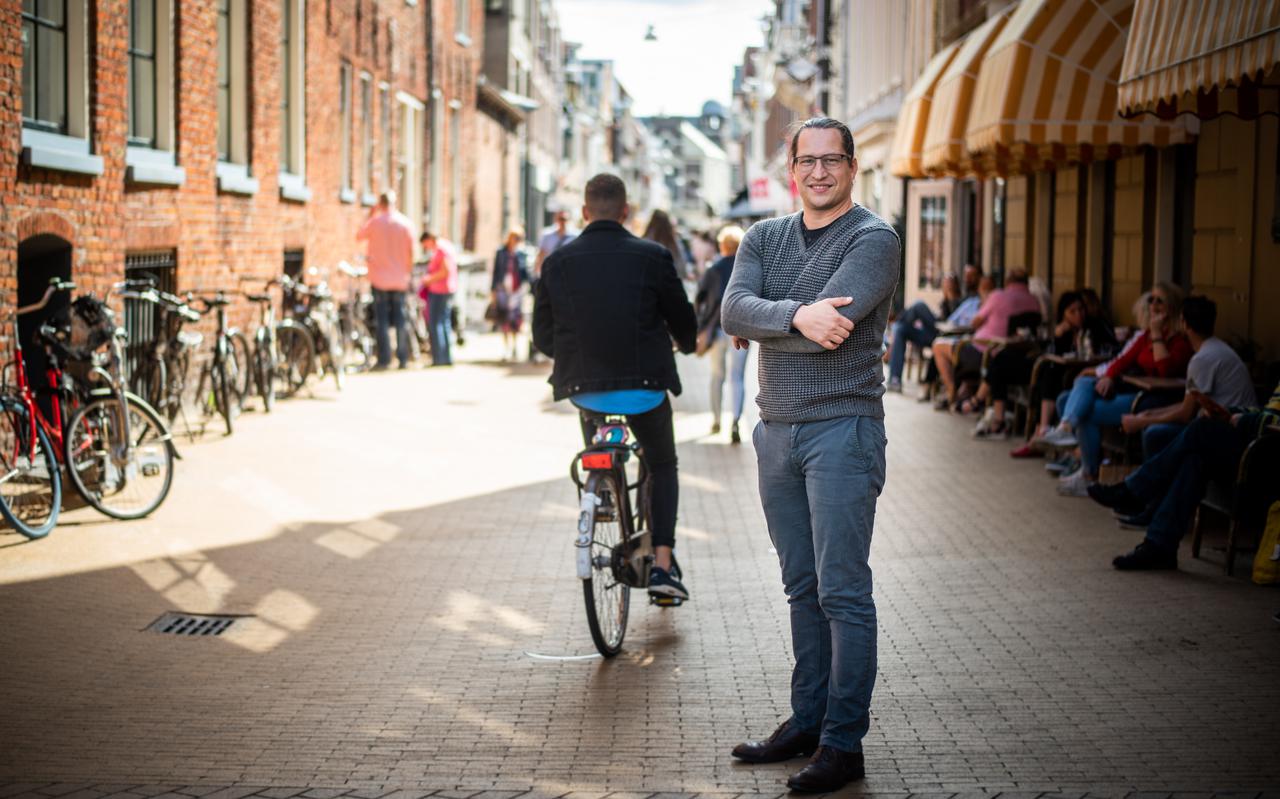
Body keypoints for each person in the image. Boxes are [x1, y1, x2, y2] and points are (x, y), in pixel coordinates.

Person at [721, 117, 900, 793]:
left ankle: (842, 741)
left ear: (853, 168)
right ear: (792, 169)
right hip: (776, 432)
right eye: (808, 161)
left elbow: (836, 328)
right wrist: (794, 316)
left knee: (843, 592)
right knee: (801, 587)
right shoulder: (765, 236)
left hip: (843, 431)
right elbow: (733, 311)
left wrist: (769, 320)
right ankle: (807, 718)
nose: (819, 172)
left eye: (832, 160)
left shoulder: (873, 238)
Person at [532, 173, 697, 601]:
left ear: (585, 212)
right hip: (645, 387)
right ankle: (662, 566)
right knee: (662, 465)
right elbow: (683, 321)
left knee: (596, 428)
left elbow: (541, 335)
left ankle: (601, 486)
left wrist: (573, 358)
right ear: (626, 212)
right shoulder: (653, 256)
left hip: (584, 387)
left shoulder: (557, 262)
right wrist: (686, 342)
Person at [1088, 378, 1280, 570]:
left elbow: (1274, 423)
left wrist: (1243, 421)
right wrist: (1231, 412)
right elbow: (1267, 413)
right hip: (1257, 451)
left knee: (1200, 431)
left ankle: (1134, 492)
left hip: (1264, 460)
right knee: (1194, 459)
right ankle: (1159, 545)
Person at [1036, 282, 1193, 496]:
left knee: (1086, 412)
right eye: (1151, 299)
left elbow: (1166, 371)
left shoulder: (1179, 340)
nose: (1153, 304)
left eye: (1159, 300)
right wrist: (1109, 375)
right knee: (1072, 393)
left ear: (1172, 306)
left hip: (1156, 400)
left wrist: (1156, 334)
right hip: (1137, 392)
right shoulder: (1146, 335)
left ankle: (1087, 471)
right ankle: (1070, 439)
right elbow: (1122, 360)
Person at [930, 268, 1042, 411]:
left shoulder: (998, 296)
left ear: (1007, 282)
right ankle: (965, 392)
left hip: (984, 351)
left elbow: (975, 323)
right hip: (1016, 355)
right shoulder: (1034, 300)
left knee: (938, 346)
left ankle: (952, 392)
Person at [694, 224, 749, 443]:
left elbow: (700, 300)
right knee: (738, 377)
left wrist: (700, 325)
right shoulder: (747, 267)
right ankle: (735, 420)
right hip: (742, 329)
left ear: (722, 246)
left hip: (717, 329)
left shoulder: (713, 269)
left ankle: (716, 419)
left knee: (717, 375)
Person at [885, 271, 981, 391]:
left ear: (955, 285)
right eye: (945, 283)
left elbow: (955, 321)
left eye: (948, 282)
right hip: (935, 333)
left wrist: (951, 297)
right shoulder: (945, 302)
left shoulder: (966, 300)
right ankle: (895, 380)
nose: (946, 285)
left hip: (946, 336)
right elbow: (942, 318)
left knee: (919, 306)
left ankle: (896, 327)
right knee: (901, 329)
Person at [355, 191, 415, 370]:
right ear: (395, 203)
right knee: (400, 320)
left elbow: (358, 236)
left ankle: (384, 359)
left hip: (379, 279)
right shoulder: (405, 223)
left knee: (381, 320)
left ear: (380, 204)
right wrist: (407, 273)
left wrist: (370, 214)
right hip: (399, 280)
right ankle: (403, 358)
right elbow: (412, 252)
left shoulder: (375, 223)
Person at [491, 227, 532, 362]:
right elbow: (496, 272)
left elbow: (525, 272)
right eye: (516, 238)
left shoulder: (522, 253)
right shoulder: (501, 252)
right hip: (503, 288)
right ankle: (506, 348)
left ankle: (515, 347)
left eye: (520, 238)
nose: (518, 241)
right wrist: (493, 290)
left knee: (515, 320)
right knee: (504, 319)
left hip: (517, 290)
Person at [420, 230, 459, 366]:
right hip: (446, 289)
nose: (426, 248)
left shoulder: (441, 249)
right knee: (444, 322)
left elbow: (445, 271)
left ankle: (439, 358)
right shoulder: (446, 246)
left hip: (440, 290)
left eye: (425, 245)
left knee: (436, 323)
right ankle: (446, 357)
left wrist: (429, 279)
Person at [642, 209, 688, 279]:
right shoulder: (674, 243)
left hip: (646, 284)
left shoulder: (645, 240)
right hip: (667, 284)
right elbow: (682, 268)